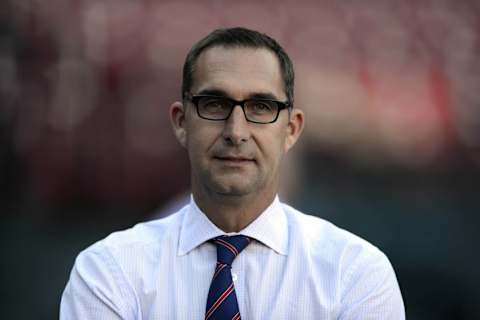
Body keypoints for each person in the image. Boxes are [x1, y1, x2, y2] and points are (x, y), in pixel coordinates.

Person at [60, 27, 405, 319]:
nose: (236, 131)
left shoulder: (355, 273)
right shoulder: (109, 271)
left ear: (291, 130)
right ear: (181, 123)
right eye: (214, 105)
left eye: (261, 107)